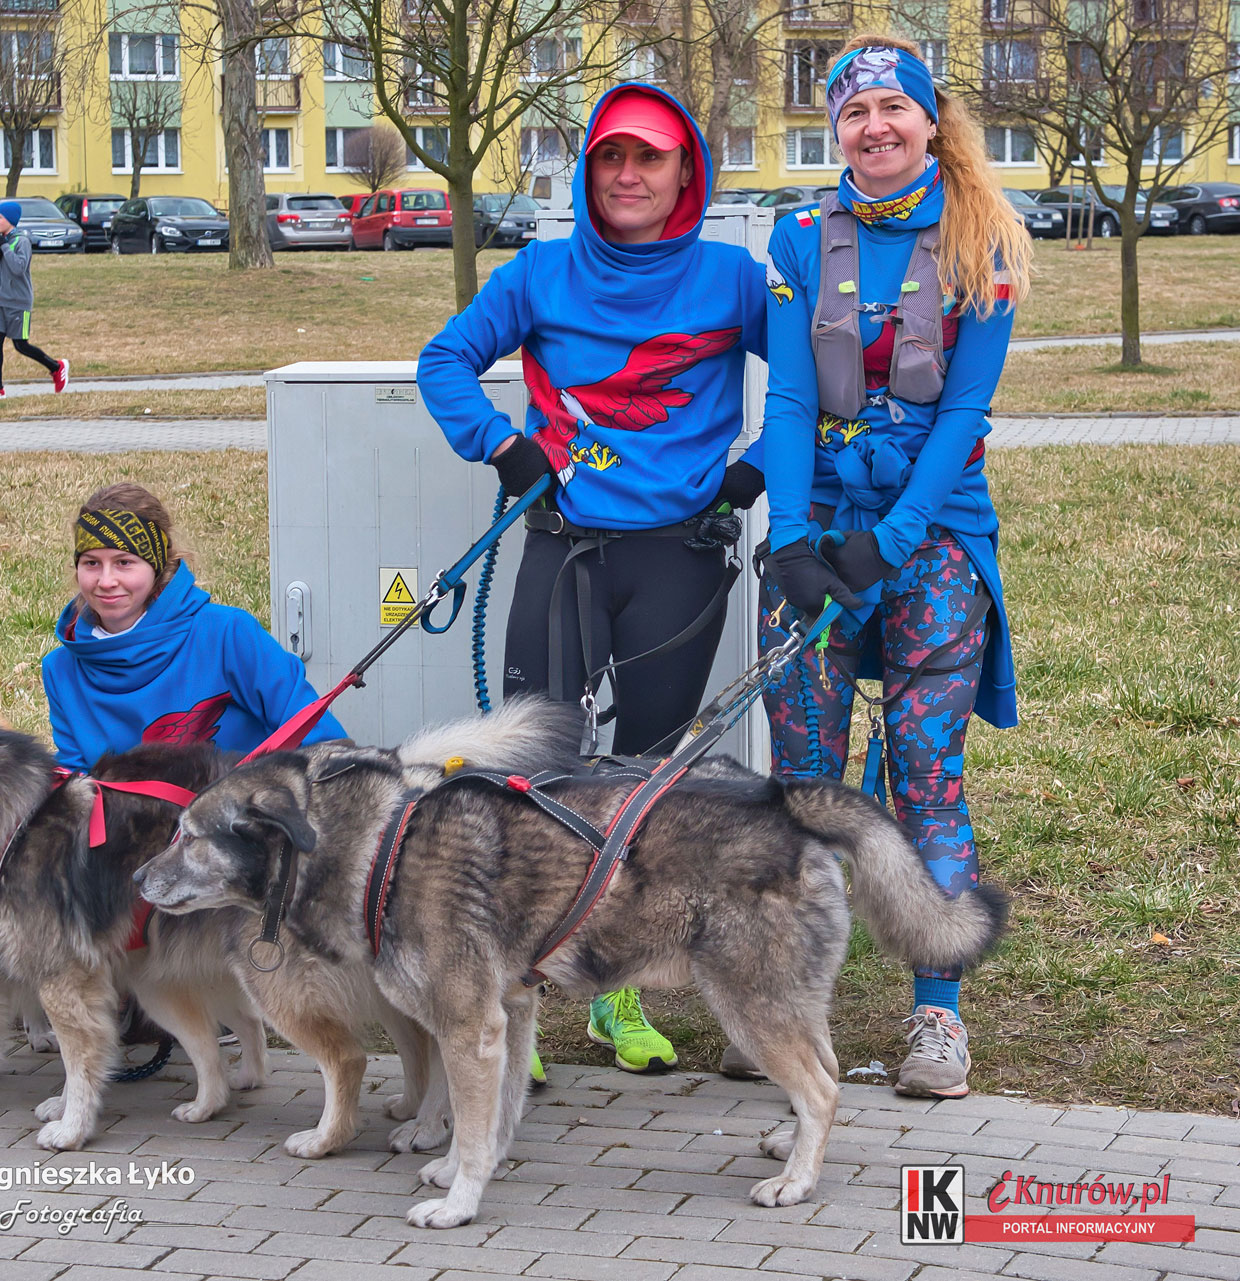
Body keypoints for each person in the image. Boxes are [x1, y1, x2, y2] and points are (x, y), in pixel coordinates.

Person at [418, 84, 769, 1075]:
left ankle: (616, 995)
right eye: (611, 155)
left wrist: (753, 472)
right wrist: (501, 446)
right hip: (562, 549)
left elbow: (806, 388)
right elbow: (444, 361)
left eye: (649, 157)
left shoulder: (732, 280)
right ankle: (513, 996)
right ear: (586, 170)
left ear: (684, 171)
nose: (627, 174)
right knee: (530, 770)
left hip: (678, 560)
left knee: (643, 782)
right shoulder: (540, 273)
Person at [751, 35, 1032, 1098]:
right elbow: (787, 399)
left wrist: (896, 539)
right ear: (836, 129)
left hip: (934, 537)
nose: (874, 127)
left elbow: (964, 412)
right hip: (821, 531)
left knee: (924, 775)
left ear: (928, 120)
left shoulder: (982, 241)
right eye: (853, 112)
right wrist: (791, 537)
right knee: (804, 780)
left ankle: (937, 1016)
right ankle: (786, 1010)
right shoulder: (795, 239)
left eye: (891, 108)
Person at [43, 483, 346, 772]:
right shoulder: (61, 670)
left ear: (157, 566)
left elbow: (320, 742)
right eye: (92, 563)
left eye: (124, 562)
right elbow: (76, 784)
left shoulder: (227, 635)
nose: (106, 581)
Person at [0, 200, 70, 401]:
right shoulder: (1, 240)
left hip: (18, 302)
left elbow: (19, 268)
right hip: (0, 301)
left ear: (10, 219)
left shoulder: (22, 242)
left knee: (21, 345)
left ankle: (56, 367)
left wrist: (5, 248)